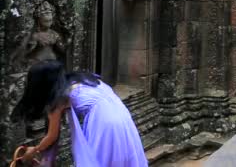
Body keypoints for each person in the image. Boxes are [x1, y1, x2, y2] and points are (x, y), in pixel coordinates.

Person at [11, 60, 148, 167]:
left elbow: (52, 136)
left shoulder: (58, 98)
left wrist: (34, 150)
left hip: (104, 123)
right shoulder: (84, 78)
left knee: (99, 162)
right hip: (123, 116)